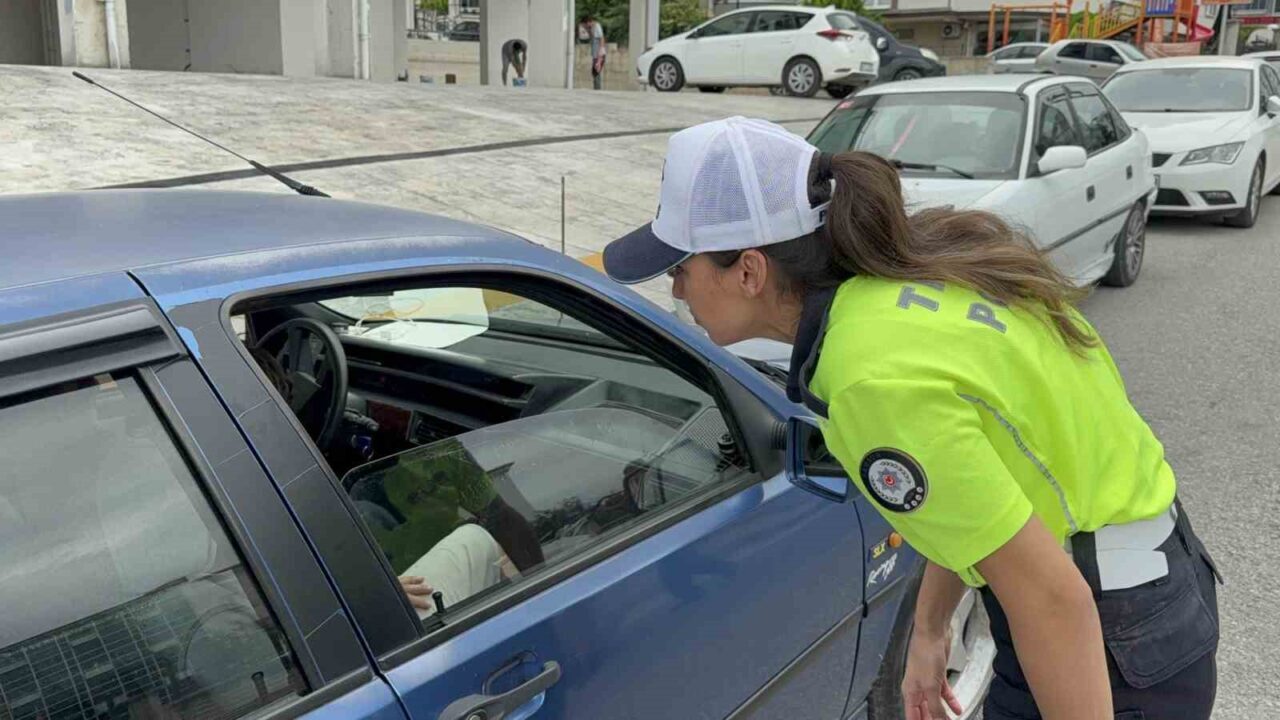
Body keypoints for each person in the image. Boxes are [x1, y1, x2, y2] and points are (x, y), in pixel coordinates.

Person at [602, 117, 1221, 720]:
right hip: (1151, 593)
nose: (677, 292)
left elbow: (1053, 601)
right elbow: (979, 489)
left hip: (1103, 632)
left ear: (749, 271)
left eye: (679, 269)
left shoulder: (869, 378)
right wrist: (929, 629)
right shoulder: (915, 272)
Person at [586, 15, 606, 90]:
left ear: (590, 22)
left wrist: (601, 51)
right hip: (595, 54)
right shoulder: (593, 28)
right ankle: (596, 88)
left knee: (596, 71)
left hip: (599, 54)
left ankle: (597, 89)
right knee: (594, 71)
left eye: (588, 24)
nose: (587, 26)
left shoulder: (597, 26)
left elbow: (601, 38)